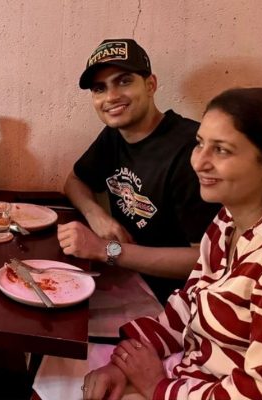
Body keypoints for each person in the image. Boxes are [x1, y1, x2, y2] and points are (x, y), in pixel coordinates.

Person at [40, 87, 262, 400]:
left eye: (221, 150)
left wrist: (157, 387)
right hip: (185, 369)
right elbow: (188, 300)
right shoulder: (226, 221)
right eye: (200, 144)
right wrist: (125, 363)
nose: (200, 162)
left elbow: (261, 393)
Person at [59, 38, 220, 304]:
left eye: (123, 81)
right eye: (100, 88)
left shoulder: (191, 151)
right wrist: (96, 214)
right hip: (127, 277)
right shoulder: (114, 135)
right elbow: (75, 180)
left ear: (150, 85)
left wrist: (107, 250)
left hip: (175, 301)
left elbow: (203, 260)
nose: (111, 97)